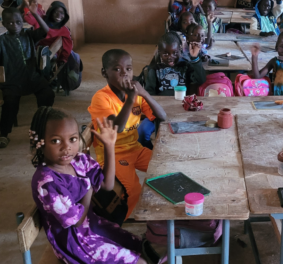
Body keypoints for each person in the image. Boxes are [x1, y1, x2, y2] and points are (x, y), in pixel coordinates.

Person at [30, 108, 162, 264]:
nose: (66, 147)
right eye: (56, 141)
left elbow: (107, 184)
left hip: (92, 225)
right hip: (75, 242)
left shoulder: (78, 160)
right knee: (141, 262)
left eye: (72, 139)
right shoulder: (46, 183)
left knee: (146, 249)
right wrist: (88, 190)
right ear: (39, 142)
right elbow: (76, 221)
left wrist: (109, 146)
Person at [88, 49, 167, 218]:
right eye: (118, 69)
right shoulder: (101, 98)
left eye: (129, 69)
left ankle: (163, 217)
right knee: (133, 190)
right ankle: (123, 225)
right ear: (104, 73)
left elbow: (162, 116)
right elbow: (117, 128)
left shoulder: (136, 95)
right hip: (113, 155)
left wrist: (144, 93)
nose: (125, 74)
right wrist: (131, 99)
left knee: (165, 168)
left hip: (135, 149)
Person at [139, 33, 206, 149]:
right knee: (142, 132)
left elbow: (200, 80)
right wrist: (155, 112)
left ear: (180, 49)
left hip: (183, 110)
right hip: (159, 111)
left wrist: (195, 58)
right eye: (165, 53)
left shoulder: (186, 66)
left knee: (183, 138)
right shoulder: (154, 70)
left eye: (175, 53)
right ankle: (152, 152)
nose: (171, 57)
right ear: (159, 51)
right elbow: (149, 94)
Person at [0, 6, 53, 148]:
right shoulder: (2, 41)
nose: (15, 25)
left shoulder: (28, 35)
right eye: (10, 23)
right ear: (3, 24)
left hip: (32, 78)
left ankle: (42, 128)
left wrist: (35, 13)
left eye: (18, 22)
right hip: (12, 81)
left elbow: (46, 30)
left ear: (22, 21)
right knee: (10, 104)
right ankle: (3, 134)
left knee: (47, 93)